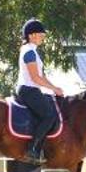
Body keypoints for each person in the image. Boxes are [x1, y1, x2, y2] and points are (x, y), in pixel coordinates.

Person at [13, 18, 66, 163]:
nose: (43, 37)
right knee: (49, 116)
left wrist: (55, 88)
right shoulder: (29, 52)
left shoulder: (32, 51)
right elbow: (36, 78)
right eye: (40, 34)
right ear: (31, 35)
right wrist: (53, 88)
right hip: (28, 89)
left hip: (32, 88)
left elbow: (42, 76)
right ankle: (33, 149)